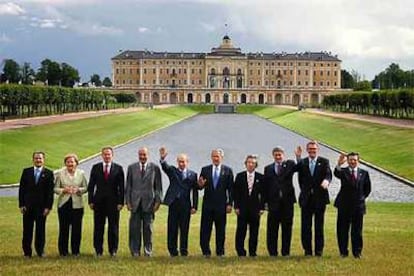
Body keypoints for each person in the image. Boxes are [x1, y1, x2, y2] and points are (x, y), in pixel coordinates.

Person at [159, 146, 198, 257]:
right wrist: (162, 159)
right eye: (180, 162)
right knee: (172, 228)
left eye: (183, 162)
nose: (181, 164)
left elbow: (195, 191)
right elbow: (165, 167)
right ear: (177, 162)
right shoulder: (173, 171)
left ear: (187, 162)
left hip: (186, 205)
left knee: (184, 228)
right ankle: (172, 251)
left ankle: (184, 250)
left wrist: (194, 206)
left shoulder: (192, 174)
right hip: (174, 203)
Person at [296, 141, 332, 256]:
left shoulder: (324, 161)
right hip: (306, 199)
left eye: (314, 149)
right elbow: (299, 177)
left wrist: (327, 181)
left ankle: (318, 251)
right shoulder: (303, 162)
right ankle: (307, 250)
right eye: (310, 149)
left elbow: (328, 174)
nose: (312, 150)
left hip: (320, 198)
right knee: (306, 226)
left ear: (317, 150)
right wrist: (298, 157)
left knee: (319, 226)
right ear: (307, 150)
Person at [125, 147, 162, 257]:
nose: (142, 157)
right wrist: (128, 201)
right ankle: (135, 251)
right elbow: (128, 186)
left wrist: (158, 201)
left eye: (144, 155)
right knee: (134, 229)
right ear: (138, 155)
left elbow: (158, 187)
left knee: (148, 228)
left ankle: (148, 251)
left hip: (149, 203)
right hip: (135, 203)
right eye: (140, 154)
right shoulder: (131, 168)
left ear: (148, 155)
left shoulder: (155, 168)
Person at [88, 146, 125, 257]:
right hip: (98, 202)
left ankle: (113, 250)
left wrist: (121, 202)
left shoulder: (118, 168)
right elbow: (91, 186)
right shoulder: (95, 168)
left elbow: (122, 187)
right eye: (105, 154)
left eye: (109, 154)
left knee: (113, 227)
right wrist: (90, 200)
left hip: (113, 203)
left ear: (112, 155)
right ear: (102, 155)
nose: (107, 156)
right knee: (98, 227)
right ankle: (98, 250)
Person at [334, 152, 371, 258]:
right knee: (342, 230)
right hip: (344, 206)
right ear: (348, 160)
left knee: (357, 231)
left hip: (358, 207)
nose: (352, 161)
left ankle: (357, 252)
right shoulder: (343, 171)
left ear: (358, 161)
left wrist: (361, 199)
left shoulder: (364, 173)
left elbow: (367, 189)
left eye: (354, 160)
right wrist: (339, 164)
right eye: (350, 159)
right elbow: (336, 173)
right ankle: (343, 252)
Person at [198, 148, 234, 257]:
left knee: (220, 230)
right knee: (205, 229)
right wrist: (200, 185)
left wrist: (229, 204)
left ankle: (220, 252)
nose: (215, 158)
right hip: (208, 205)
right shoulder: (205, 170)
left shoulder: (227, 170)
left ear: (221, 157)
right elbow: (200, 187)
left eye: (217, 156)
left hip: (221, 205)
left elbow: (231, 189)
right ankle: (206, 251)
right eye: (213, 156)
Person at [264, 146, 298, 257]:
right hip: (273, 203)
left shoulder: (290, 164)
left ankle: (285, 252)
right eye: (276, 155)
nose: (278, 157)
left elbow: (301, 168)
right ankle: (272, 252)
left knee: (287, 228)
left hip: (287, 202)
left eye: (280, 155)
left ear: (283, 155)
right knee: (272, 229)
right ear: (273, 155)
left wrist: (298, 157)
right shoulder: (268, 168)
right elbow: (266, 186)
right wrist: (265, 203)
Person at [18, 151, 54, 257]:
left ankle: (40, 251)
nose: (38, 160)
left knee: (40, 230)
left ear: (44, 160)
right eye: (36, 158)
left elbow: (50, 192)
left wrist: (48, 207)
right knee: (27, 230)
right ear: (33, 159)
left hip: (41, 208)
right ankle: (27, 252)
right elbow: (21, 190)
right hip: (27, 207)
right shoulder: (26, 172)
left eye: (40, 158)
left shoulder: (48, 173)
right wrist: (21, 204)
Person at [54, 153, 88, 256]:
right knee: (64, 228)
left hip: (77, 205)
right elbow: (55, 188)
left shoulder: (81, 173)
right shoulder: (60, 173)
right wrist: (63, 190)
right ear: (65, 163)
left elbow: (86, 187)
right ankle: (63, 251)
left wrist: (79, 190)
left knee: (76, 229)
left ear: (76, 163)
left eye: (72, 162)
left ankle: (75, 251)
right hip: (64, 204)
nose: (70, 164)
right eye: (68, 162)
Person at [233, 154, 264, 257]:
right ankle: (240, 251)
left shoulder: (260, 177)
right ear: (245, 164)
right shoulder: (240, 176)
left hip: (255, 209)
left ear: (256, 165)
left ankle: (252, 252)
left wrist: (262, 207)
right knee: (241, 231)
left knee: (254, 232)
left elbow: (264, 194)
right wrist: (236, 206)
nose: (251, 164)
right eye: (249, 162)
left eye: (253, 163)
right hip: (242, 208)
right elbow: (235, 193)